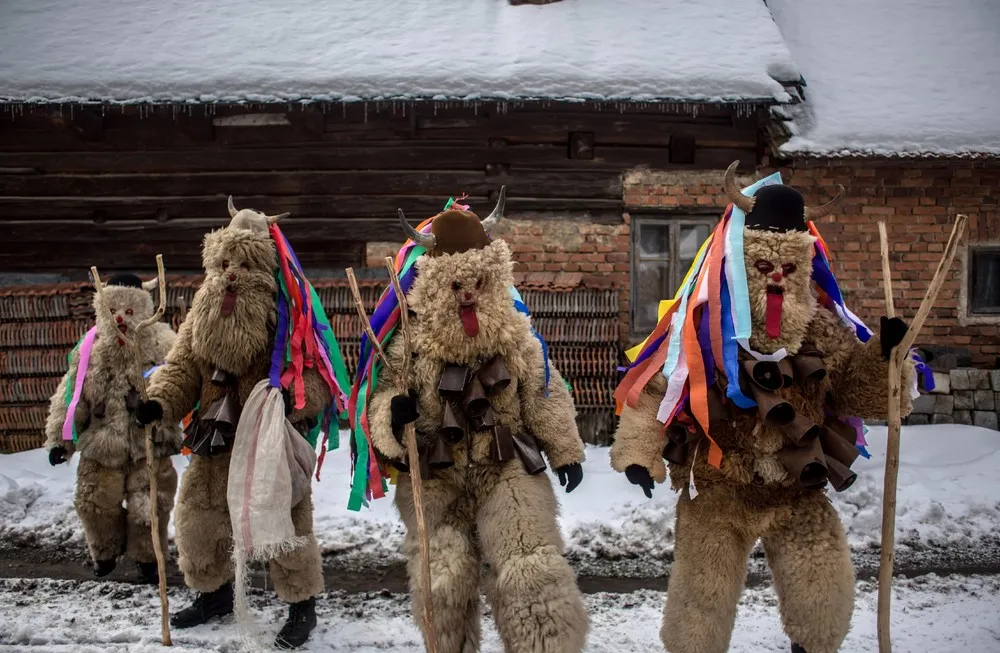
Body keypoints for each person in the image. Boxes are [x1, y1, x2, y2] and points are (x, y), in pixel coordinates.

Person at [612, 163, 918, 653]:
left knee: (822, 592)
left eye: (789, 269)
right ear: (739, 264)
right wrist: (637, 454)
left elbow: (859, 394)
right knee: (700, 602)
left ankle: (813, 646)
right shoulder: (702, 329)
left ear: (803, 268)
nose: (776, 279)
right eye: (762, 268)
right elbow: (658, 389)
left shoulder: (821, 331)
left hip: (796, 490)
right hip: (718, 491)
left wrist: (885, 358)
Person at [45, 272, 180, 583]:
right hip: (101, 443)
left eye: (129, 312)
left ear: (144, 310)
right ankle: (106, 550)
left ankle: (147, 557)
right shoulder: (90, 349)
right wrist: (60, 440)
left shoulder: (163, 344)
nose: (121, 319)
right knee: (94, 501)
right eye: (113, 311)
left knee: (149, 506)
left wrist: (161, 406)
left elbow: (180, 382)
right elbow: (72, 396)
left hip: (149, 443)